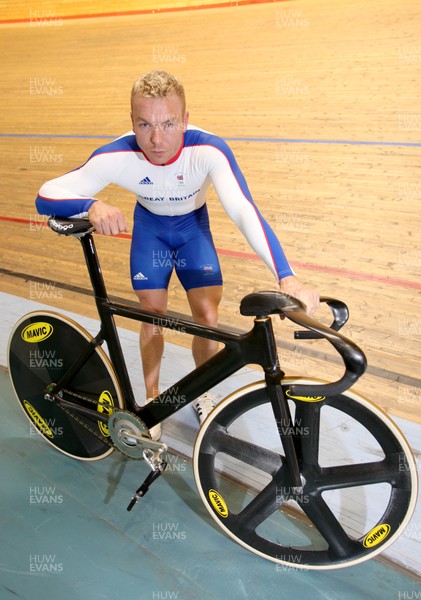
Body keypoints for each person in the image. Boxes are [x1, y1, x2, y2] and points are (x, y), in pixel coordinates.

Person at [36, 70, 319, 441]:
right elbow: (46, 194)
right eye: (144, 124)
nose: (156, 138)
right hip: (150, 232)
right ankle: (149, 403)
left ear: (185, 119)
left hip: (192, 231)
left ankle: (202, 391)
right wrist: (91, 205)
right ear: (132, 123)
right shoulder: (117, 154)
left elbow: (244, 210)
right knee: (152, 316)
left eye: (168, 123)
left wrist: (287, 275)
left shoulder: (208, 150)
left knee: (207, 317)